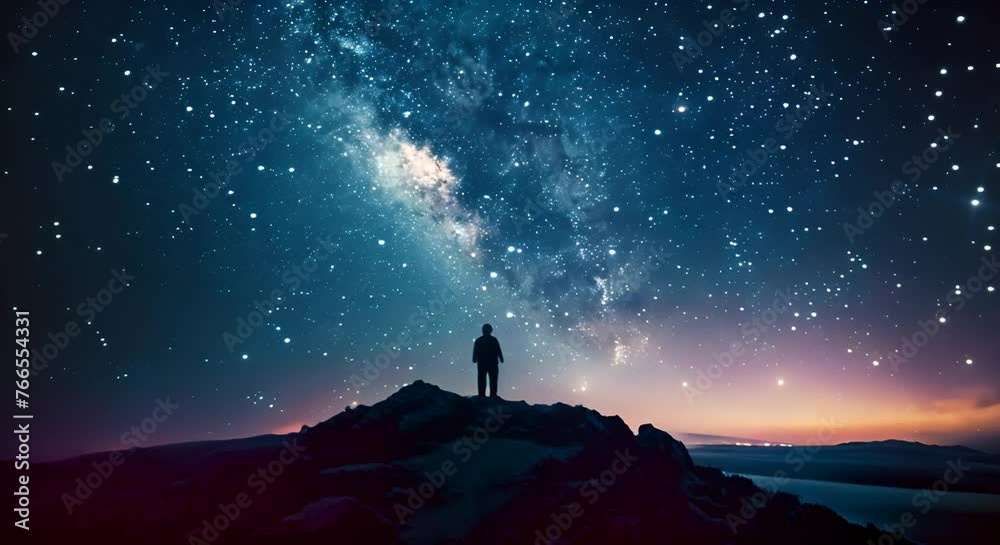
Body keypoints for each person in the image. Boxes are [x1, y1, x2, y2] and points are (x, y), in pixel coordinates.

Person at [472, 323, 503, 398]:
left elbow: (498, 349)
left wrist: (474, 358)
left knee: (490, 379)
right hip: (487, 363)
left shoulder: (481, 340)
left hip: (488, 363)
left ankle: (489, 395)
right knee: (486, 379)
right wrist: (501, 358)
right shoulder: (488, 340)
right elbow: (498, 350)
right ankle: (485, 395)